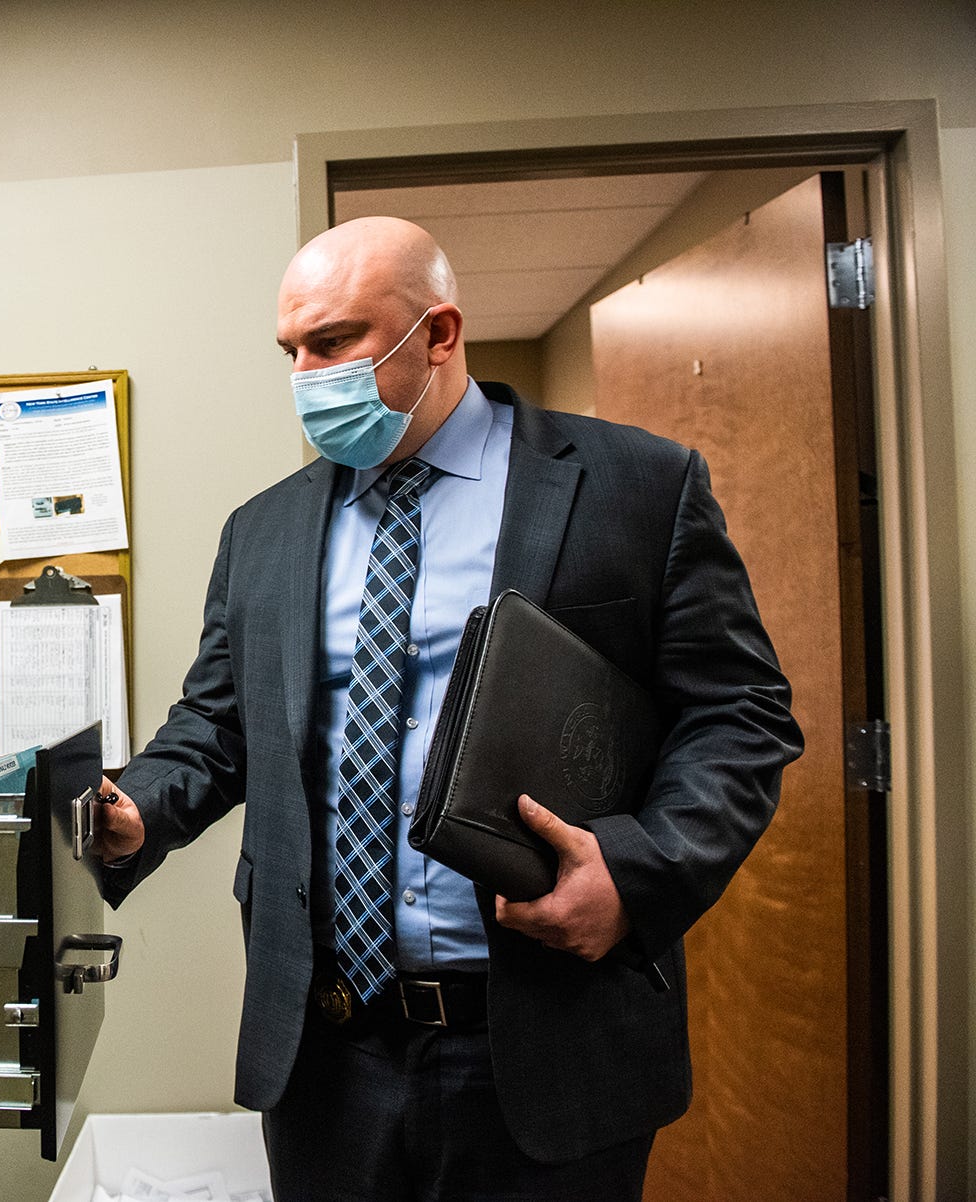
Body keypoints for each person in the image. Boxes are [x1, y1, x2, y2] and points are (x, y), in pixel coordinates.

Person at [92, 217, 803, 1201]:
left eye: (335, 339)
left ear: (439, 330)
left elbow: (740, 713)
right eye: (291, 349)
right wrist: (135, 809)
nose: (307, 371)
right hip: (327, 1053)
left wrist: (638, 873)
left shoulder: (637, 486)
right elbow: (217, 725)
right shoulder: (264, 531)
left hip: (545, 1040)